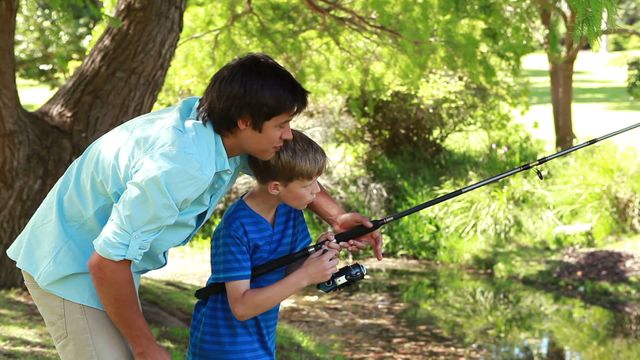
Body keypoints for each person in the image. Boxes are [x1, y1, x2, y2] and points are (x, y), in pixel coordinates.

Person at [6, 53, 382, 360]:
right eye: (281, 125)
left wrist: (337, 216)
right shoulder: (179, 165)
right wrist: (146, 345)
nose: (288, 136)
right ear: (245, 121)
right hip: (68, 267)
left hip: (109, 261)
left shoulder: (223, 131)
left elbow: (292, 174)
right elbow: (105, 263)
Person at [188, 129, 340, 359]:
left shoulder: (290, 212)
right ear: (276, 187)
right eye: (308, 184)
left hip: (261, 341)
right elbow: (241, 307)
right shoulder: (235, 228)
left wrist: (317, 256)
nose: (317, 191)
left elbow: (290, 270)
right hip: (223, 346)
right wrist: (306, 276)